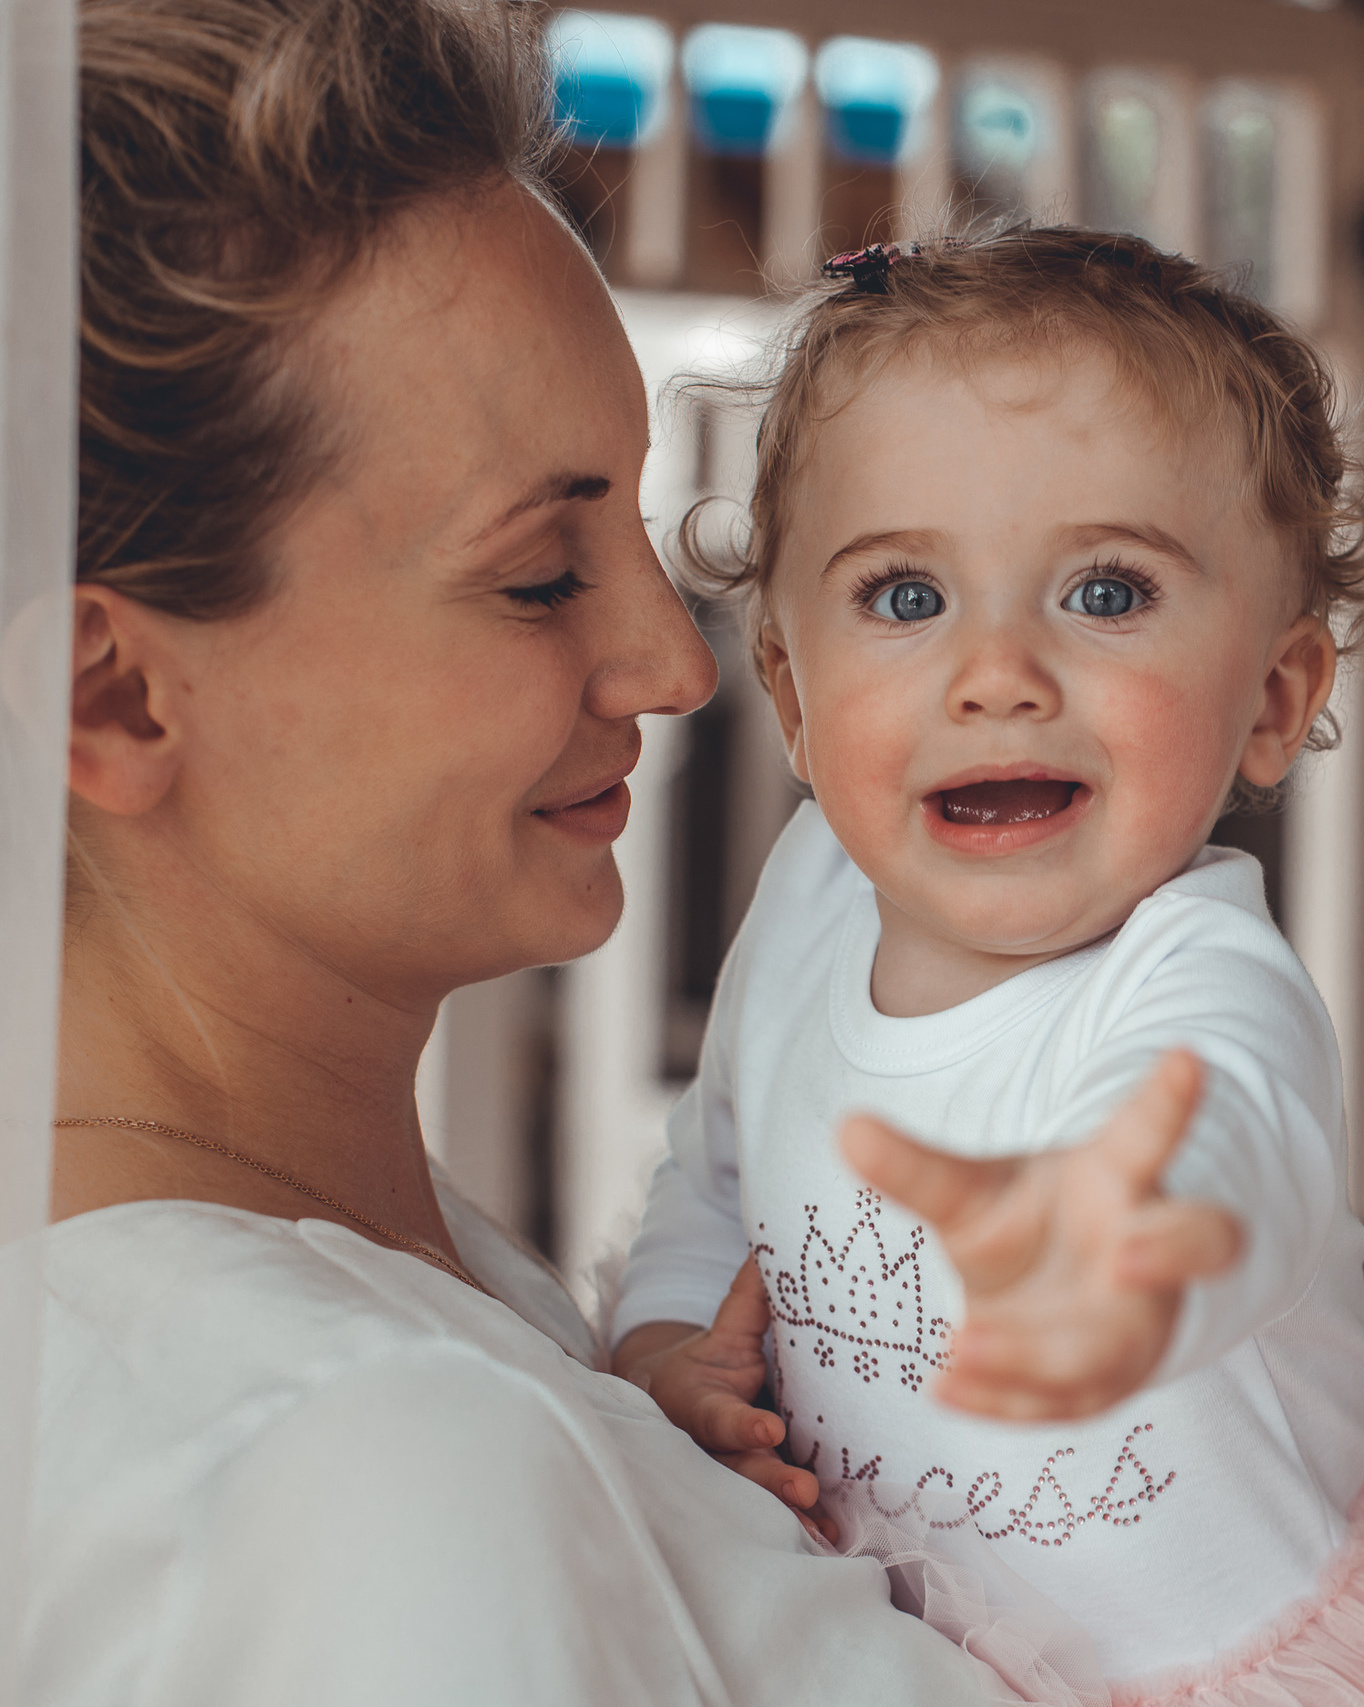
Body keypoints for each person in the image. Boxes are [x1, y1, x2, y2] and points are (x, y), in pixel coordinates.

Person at [36, 1, 1032, 1699]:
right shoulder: (357, 1455)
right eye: (538, 577)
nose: (675, 665)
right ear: (122, 698)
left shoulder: (382, 1293)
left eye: (639, 530)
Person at [607, 230, 1364, 1705]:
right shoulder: (807, 899)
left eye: (1106, 594)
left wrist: (1134, 1254)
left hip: (1237, 1663)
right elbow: (713, 1183)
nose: (997, 669)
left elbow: (1233, 1155)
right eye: (903, 598)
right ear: (793, 697)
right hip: (895, 1651)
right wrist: (667, 1346)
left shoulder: (1195, 973)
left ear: (1274, 700)